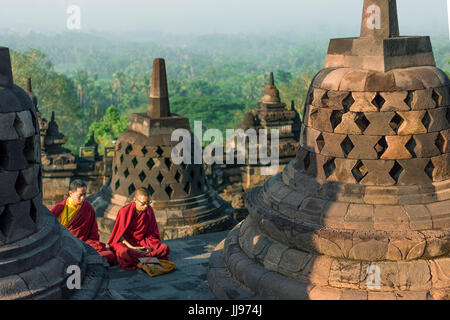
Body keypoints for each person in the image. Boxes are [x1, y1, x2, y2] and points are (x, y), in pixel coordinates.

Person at [51, 179, 116, 265]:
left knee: (109, 255)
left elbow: (94, 232)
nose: (83, 198)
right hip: (65, 244)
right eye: (80, 195)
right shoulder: (60, 208)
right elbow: (50, 229)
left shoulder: (88, 208)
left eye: (85, 194)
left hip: (83, 244)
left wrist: (92, 244)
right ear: (70, 193)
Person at [108, 187, 170, 270]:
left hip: (143, 243)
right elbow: (119, 235)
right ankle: (147, 259)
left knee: (164, 248)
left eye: (148, 203)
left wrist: (149, 247)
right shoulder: (124, 212)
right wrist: (132, 247)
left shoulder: (149, 210)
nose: (146, 206)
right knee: (123, 252)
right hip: (127, 243)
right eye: (143, 203)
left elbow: (152, 233)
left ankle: (141, 259)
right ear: (135, 200)